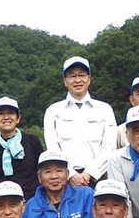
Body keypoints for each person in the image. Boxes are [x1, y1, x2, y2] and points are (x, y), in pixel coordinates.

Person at [43, 56, 117, 187]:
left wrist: (90, 174)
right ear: (65, 81)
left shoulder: (104, 109)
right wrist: (71, 174)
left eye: (82, 75)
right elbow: (53, 146)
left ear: (89, 79)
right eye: (72, 76)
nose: (77, 80)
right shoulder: (53, 111)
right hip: (65, 180)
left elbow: (109, 146)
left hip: (99, 178)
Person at [0, 97, 42, 199]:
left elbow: (41, 171)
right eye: (1, 114)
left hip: (33, 201)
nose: (6, 117)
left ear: (18, 118)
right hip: (4, 204)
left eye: (11, 113)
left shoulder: (32, 141)